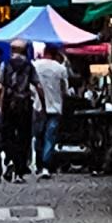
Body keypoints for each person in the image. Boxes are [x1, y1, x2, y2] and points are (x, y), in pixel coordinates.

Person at [0, 44, 38, 182]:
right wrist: (43, 103)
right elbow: (37, 85)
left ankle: (10, 160)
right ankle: (20, 169)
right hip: (24, 105)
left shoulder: (5, 65)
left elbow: (0, 86)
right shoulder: (29, 66)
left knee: (8, 135)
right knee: (24, 137)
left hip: (9, 104)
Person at [33, 46, 69, 175]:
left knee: (38, 136)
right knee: (50, 136)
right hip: (55, 106)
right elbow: (65, 89)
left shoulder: (35, 66)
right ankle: (46, 165)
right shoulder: (61, 69)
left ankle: (38, 164)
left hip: (39, 106)